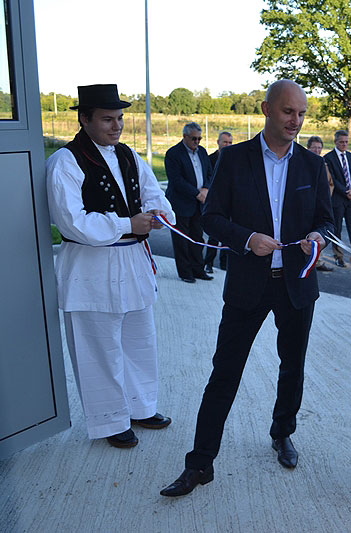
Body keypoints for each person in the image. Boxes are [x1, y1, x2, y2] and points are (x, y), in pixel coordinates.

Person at [160, 80, 334, 497]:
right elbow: (211, 218)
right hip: (247, 286)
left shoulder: (313, 165)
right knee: (225, 372)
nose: (296, 121)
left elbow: (327, 220)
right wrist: (247, 239)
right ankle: (201, 462)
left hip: (296, 286)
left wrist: (318, 236)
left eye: (302, 114)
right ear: (266, 109)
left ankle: (282, 432)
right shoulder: (234, 159)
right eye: (288, 112)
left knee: (292, 368)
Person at [46, 83, 175, 448]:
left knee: (140, 339)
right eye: (107, 119)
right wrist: (125, 224)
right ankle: (109, 421)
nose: (116, 126)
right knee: (97, 347)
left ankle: (141, 406)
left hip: (132, 260)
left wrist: (159, 215)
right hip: (90, 265)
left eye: (119, 118)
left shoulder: (130, 156)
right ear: (84, 119)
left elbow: (154, 196)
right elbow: (72, 221)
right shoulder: (65, 162)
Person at [165, 122, 213, 283]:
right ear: (185, 136)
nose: (197, 142)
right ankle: (186, 273)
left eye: (199, 138)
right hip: (181, 204)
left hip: (199, 204)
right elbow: (176, 180)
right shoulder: (173, 154)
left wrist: (206, 188)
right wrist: (197, 193)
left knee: (197, 238)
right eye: (194, 138)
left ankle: (198, 269)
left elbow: (209, 173)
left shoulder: (202, 152)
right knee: (182, 240)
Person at [324, 130, 351, 268]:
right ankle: (338, 256)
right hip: (338, 199)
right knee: (337, 229)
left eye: (346, 142)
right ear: (335, 142)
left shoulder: (350, 156)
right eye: (341, 142)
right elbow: (332, 178)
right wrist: (346, 191)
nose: (344, 144)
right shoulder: (329, 157)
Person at [203, 131, 233, 274]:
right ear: (218, 142)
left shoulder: (234, 159)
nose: (227, 145)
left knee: (227, 235)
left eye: (230, 142)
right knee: (214, 236)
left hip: (230, 202)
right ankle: (208, 262)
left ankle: (224, 264)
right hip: (216, 201)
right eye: (225, 142)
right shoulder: (210, 159)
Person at [306, 135, 334, 272]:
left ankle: (317, 259)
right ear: (308, 148)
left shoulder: (324, 165)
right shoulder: (303, 164)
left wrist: (325, 198)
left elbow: (330, 184)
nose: (317, 150)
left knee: (320, 233)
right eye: (314, 148)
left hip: (322, 205)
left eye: (319, 148)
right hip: (307, 206)